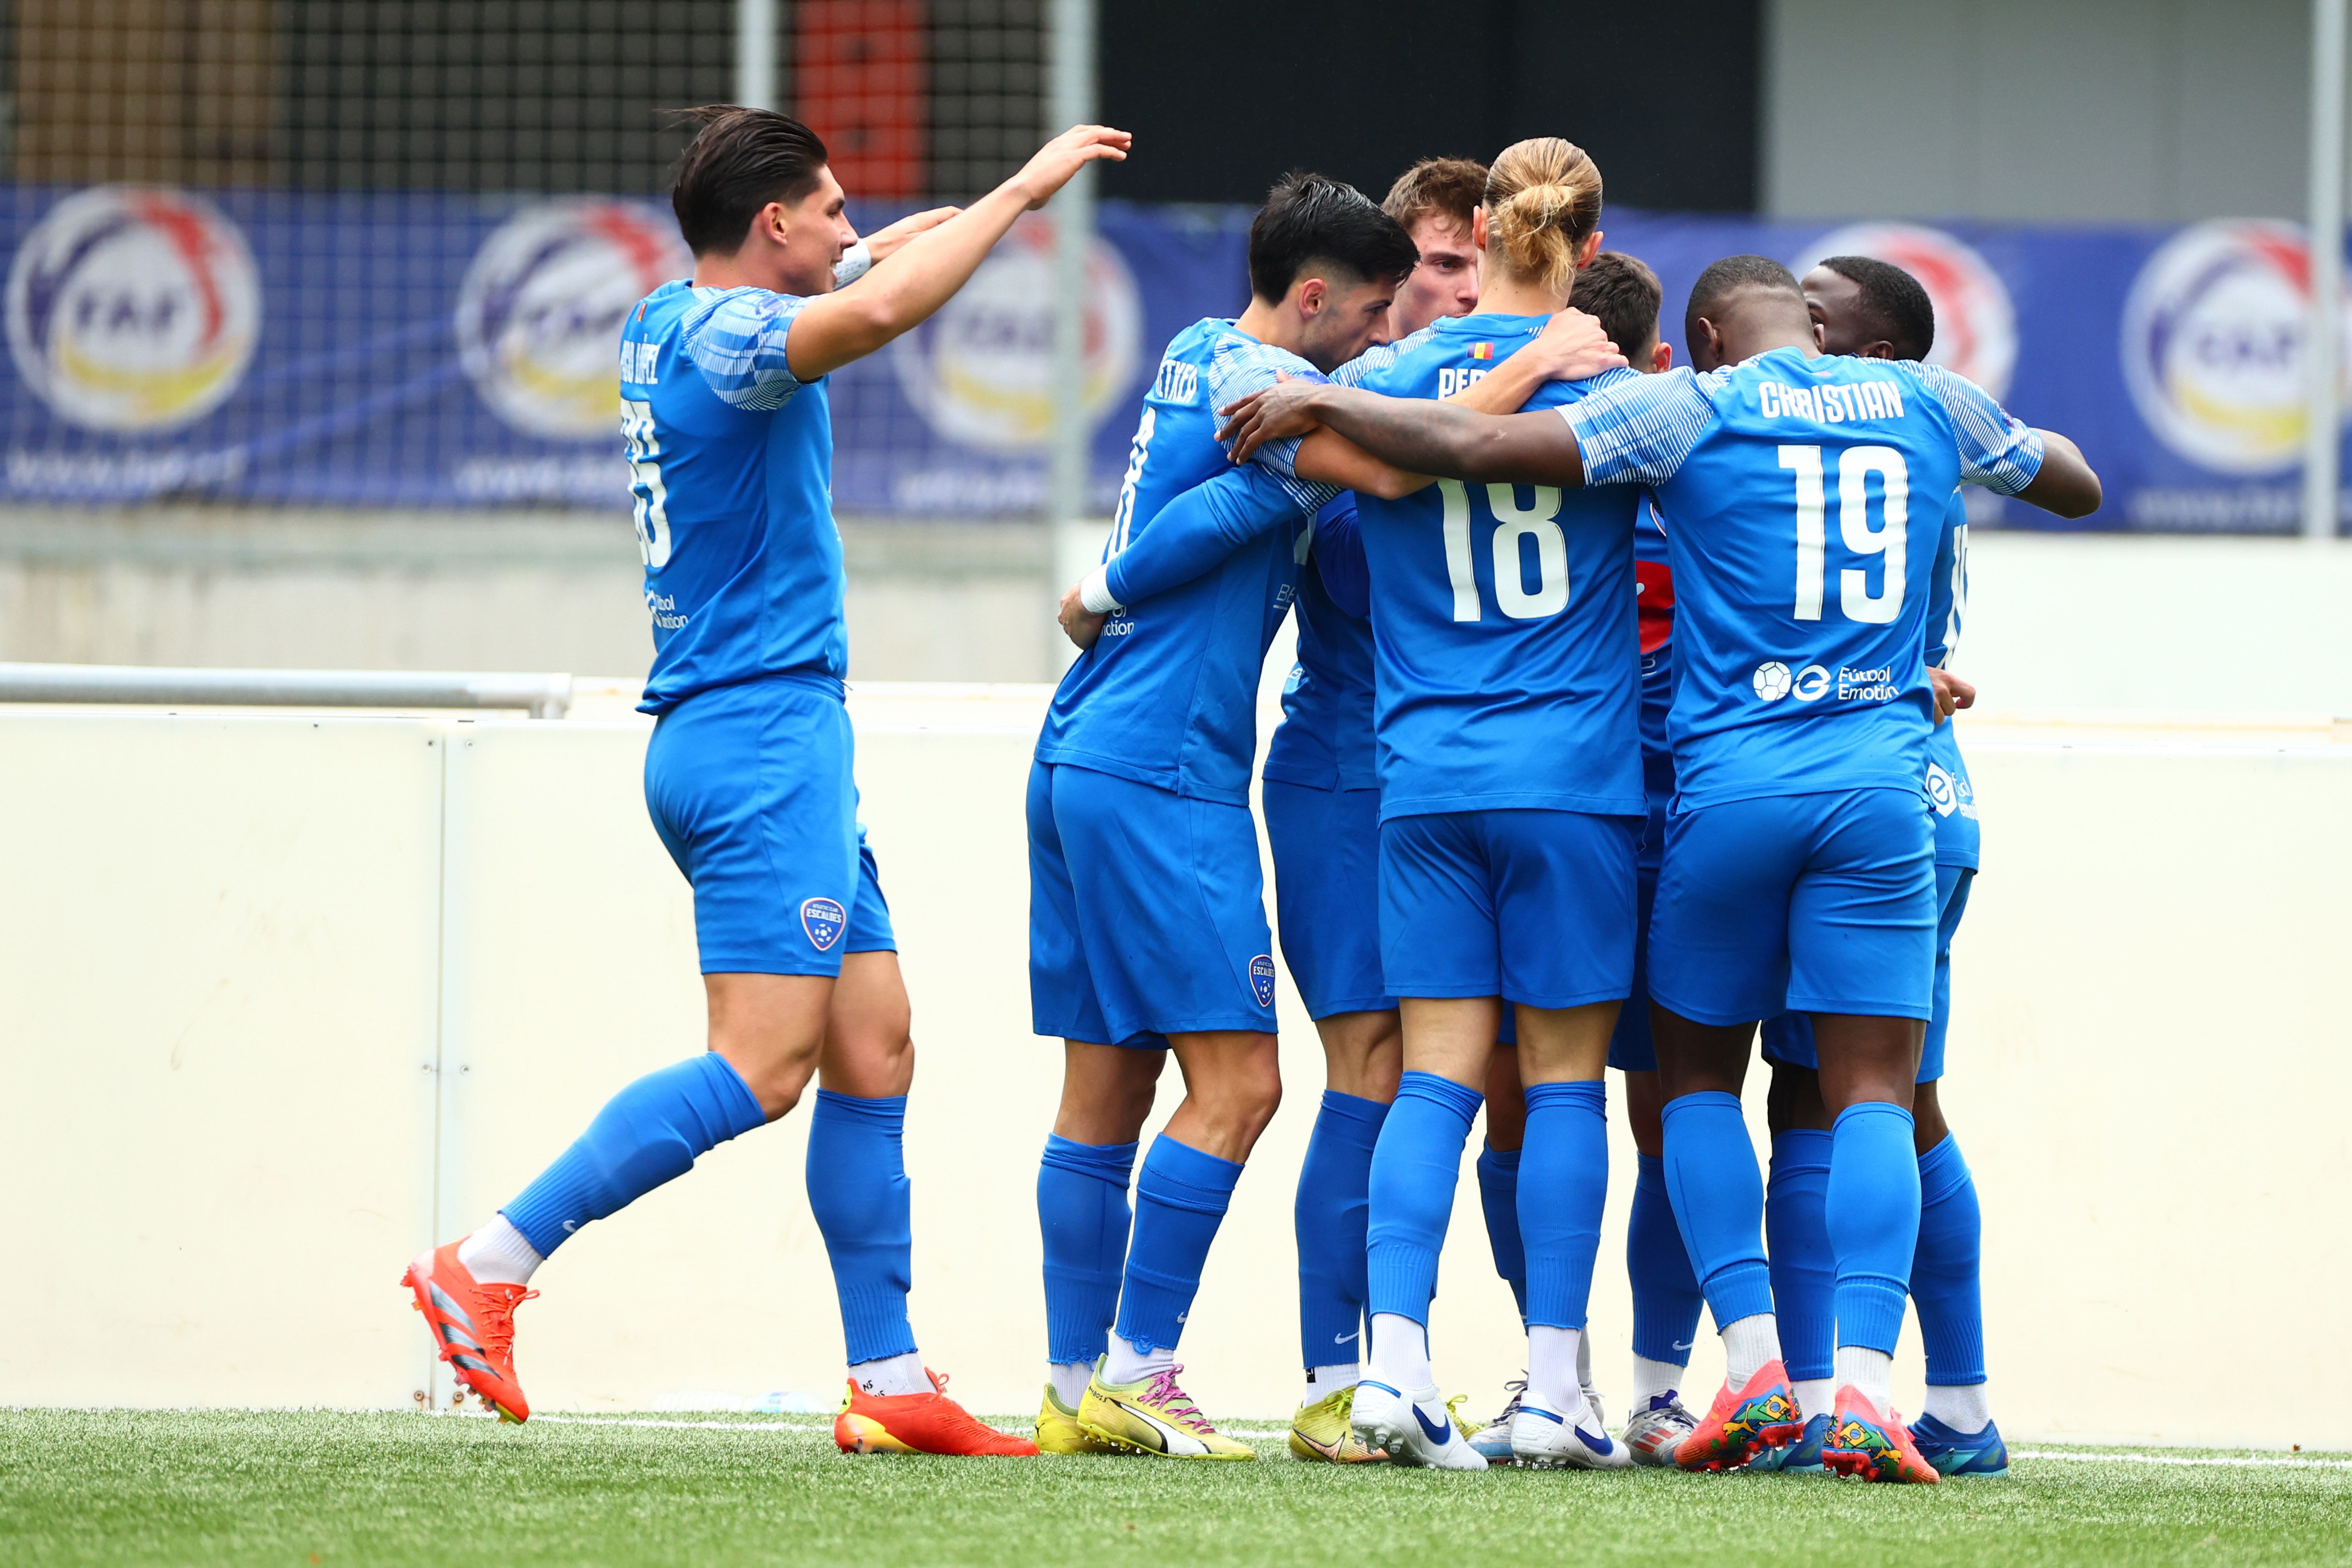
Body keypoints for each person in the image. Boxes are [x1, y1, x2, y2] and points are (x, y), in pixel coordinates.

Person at [1213, 252, 2098, 1483]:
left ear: (1708, 342)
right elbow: (2075, 482)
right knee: (1877, 1099)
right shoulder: (1931, 402)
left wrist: (1332, 404)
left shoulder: (1692, 408)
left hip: (1721, 790)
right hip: (1887, 791)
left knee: (1684, 1078)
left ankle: (1733, 1370)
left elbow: (1474, 453)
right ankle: (1866, 1394)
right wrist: (1974, 432)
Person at [401, 106, 1129, 1459]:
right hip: (758, 742)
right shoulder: (742, 344)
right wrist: (1025, 191)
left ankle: (891, 1374)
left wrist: (933, 223)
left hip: (757, 738)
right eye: (835, 208)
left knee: (875, 1041)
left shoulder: (670, 318)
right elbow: (887, 300)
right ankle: (488, 1261)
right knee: (764, 1063)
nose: (854, 228)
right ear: (774, 224)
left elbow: (878, 265)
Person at [1032, 172, 1619, 1461]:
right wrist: (1528, 362)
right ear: (1338, 289)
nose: (1426, 310)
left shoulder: (1214, 357)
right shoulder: (1299, 389)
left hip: (1114, 741)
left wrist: (1103, 584)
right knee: (1318, 1078)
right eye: (1414, 286)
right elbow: (1403, 477)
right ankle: (1323, 1378)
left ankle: (1084, 1385)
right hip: (1270, 772)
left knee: (1116, 1084)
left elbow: (1245, 505)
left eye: (1472, 274)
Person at [1283, 137, 1645, 1473]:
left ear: (1479, 227)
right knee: (1558, 1086)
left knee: (1428, 1079)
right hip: (1575, 780)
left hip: (1422, 776)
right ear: (1590, 249)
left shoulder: (1379, 375)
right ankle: (1556, 1388)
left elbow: (1346, 451)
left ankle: (1392, 1368)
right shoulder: (1610, 381)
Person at [1748, 254, 2005, 1479]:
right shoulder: (1921, 435)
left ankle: (1835, 1399)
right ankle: (1956, 1405)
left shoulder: (1878, 429)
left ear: (1885, 363)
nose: (1795, 342)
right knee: (1902, 1105)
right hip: (1919, 791)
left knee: (1834, 1102)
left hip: (1872, 791)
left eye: (1820, 325)